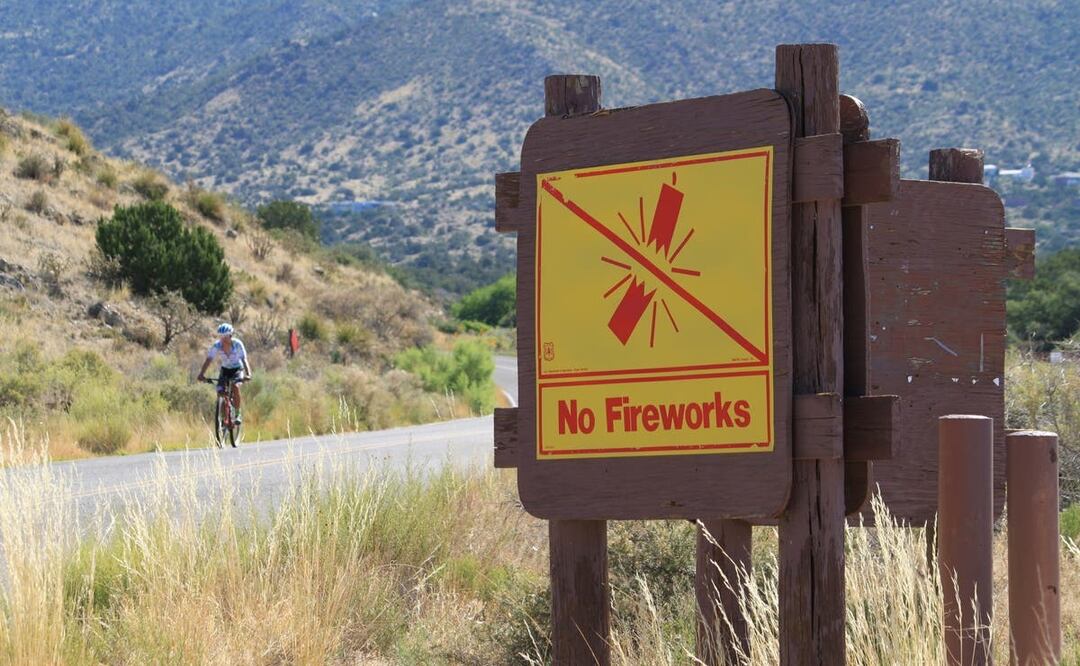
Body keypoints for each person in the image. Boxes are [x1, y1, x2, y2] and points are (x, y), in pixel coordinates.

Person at [196, 323, 252, 422]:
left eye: (225, 336)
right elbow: (208, 360)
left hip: (237, 369)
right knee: (220, 391)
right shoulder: (217, 346)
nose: (223, 339)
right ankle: (223, 417)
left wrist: (248, 374)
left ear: (230, 335)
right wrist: (201, 374)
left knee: (235, 386)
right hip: (225, 370)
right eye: (221, 337)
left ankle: (238, 414)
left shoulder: (237, 344)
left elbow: (244, 360)